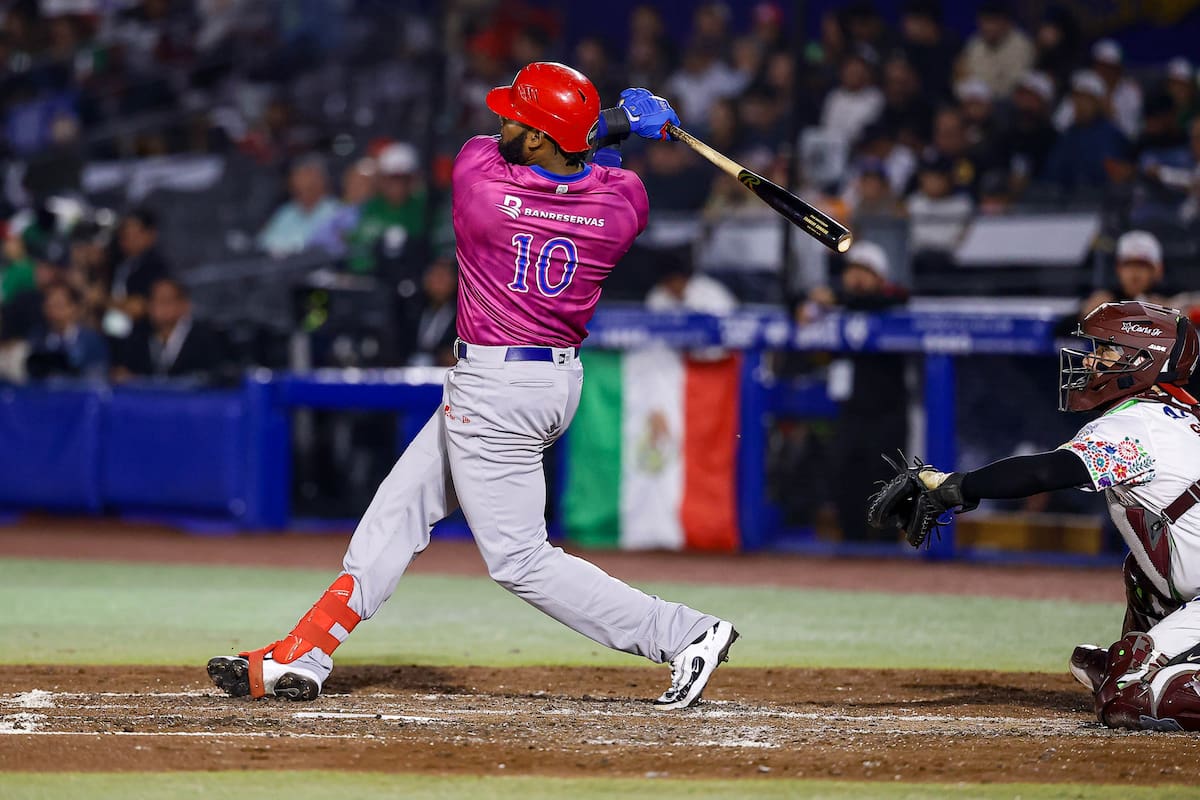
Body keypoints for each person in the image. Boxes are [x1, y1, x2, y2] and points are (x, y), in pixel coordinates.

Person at [207, 62, 738, 710]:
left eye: (518, 118)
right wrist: (629, 125)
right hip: (546, 381)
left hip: (497, 389)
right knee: (398, 512)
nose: (502, 122)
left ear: (542, 139)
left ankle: (683, 634)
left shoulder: (478, 181)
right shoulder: (623, 202)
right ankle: (307, 652)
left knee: (520, 561)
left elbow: (558, 150)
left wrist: (617, 124)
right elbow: (586, 161)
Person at [871, 300, 1200, 731]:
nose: (1091, 359)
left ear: (1143, 360)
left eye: (1106, 349)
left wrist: (955, 486)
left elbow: (1046, 471)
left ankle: (1146, 672)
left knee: (1129, 699)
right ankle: (1157, 658)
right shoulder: (1177, 417)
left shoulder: (1140, 423)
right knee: (1143, 571)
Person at [799, 241, 908, 542]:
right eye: (853, 271)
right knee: (844, 477)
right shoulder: (835, 305)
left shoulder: (892, 300)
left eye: (866, 272)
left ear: (879, 277)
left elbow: (891, 299)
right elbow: (798, 303)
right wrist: (814, 302)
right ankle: (850, 547)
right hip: (848, 412)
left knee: (885, 484)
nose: (857, 278)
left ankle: (885, 553)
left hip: (886, 411)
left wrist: (835, 298)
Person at [111, 277, 226, 383]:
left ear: (184, 305)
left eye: (166, 300)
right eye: (155, 300)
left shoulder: (204, 338)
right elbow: (125, 372)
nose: (159, 306)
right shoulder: (140, 337)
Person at [345, 142, 427, 275]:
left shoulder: (421, 208)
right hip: (371, 276)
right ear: (382, 180)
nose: (397, 185)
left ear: (412, 180)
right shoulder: (371, 207)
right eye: (391, 178)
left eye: (403, 179)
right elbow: (357, 249)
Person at [256, 155, 342, 257]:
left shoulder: (337, 211)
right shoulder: (287, 211)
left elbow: (329, 250)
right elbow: (263, 244)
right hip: (278, 268)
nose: (301, 185)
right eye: (296, 182)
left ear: (322, 182)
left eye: (308, 180)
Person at [24, 281, 108, 381]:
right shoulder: (38, 338)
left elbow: (98, 377)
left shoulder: (91, 340)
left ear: (74, 308)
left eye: (59, 305)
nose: (53, 311)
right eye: (49, 305)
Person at [1080, 230, 1172, 317]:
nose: (1134, 273)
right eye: (1128, 265)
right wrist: (1085, 317)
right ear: (1118, 269)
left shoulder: (1171, 300)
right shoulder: (1105, 301)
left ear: (1157, 270)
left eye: (1142, 265)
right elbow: (1069, 326)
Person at [957, 1, 1035, 97]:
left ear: (1007, 23)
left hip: (1006, 102)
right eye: (984, 21)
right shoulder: (975, 44)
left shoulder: (1021, 45)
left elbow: (1014, 87)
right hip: (976, 102)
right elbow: (962, 79)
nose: (988, 27)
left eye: (993, 21)